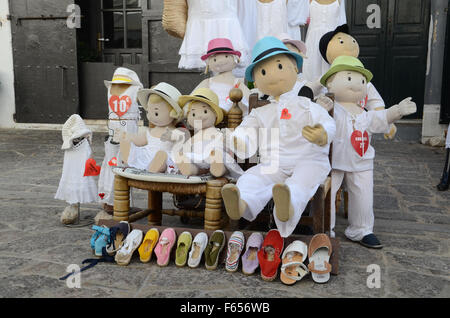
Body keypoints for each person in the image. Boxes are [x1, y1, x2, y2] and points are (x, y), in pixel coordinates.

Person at [221, 36, 336, 238]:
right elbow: (246, 129)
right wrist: (239, 139)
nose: (272, 75)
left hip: (308, 160)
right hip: (274, 163)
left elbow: (326, 121)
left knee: (300, 182)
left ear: (294, 68)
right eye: (263, 72)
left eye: (280, 66)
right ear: (256, 80)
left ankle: (287, 207)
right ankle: (241, 203)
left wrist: (322, 134)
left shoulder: (306, 104)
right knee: (252, 178)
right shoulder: (260, 112)